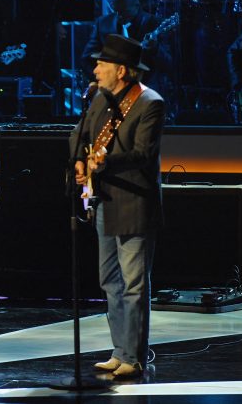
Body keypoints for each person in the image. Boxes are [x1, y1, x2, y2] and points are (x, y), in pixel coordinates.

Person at [69, 34, 164, 378]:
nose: (95, 69)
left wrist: (105, 163)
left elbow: (143, 155)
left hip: (134, 204)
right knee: (110, 281)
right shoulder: (99, 98)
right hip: (104, 203)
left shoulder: (150, 103)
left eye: (102, 64)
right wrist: (80, 162)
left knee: (134, 284)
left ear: (121, 70)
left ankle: (134, 356)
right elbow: (79, 135)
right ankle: (119, 351)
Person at [81, 0, 172, 91]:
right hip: (110, 94)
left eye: (123, 12)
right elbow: (86, 59)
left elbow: (169, 64)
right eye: (116, 11)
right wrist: (103, 81)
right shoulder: (103, 24)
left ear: (137, 6)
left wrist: (155, 48)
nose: (119, 17)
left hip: (144, 93)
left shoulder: (153, 24)